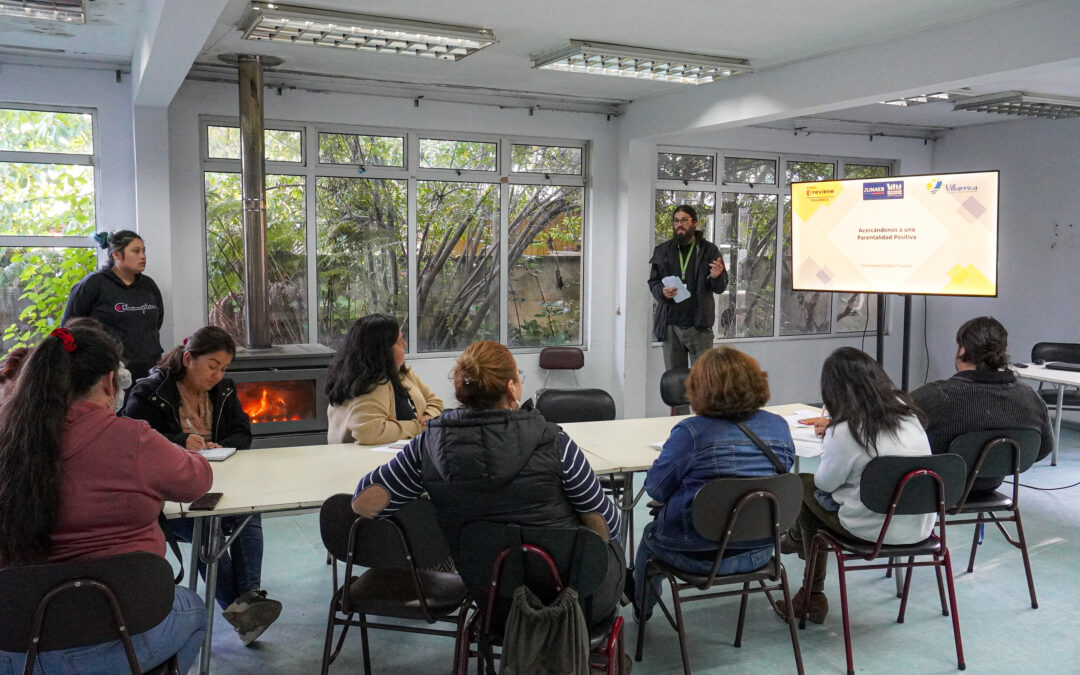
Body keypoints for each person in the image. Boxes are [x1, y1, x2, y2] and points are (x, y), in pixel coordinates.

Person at [351, 340, 624, 627]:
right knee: (612, 541)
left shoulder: (427, 446)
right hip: (571, 602)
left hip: (493, 599)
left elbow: (363, 502)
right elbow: (605, 526)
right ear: (511, 388)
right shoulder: (555, 443)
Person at [0, 321, 212, 674]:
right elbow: (198, 481)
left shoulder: (8, 439)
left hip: (16, 647)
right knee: (194, 611)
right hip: (124, 634)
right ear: (110, 382)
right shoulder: (132, 440)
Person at [124, 326, 283, 646]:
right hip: (172, 496)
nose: (218, 374)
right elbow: (132, 438)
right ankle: (247, 608)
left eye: (224, 368)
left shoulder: (224, 390)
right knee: (206, 530)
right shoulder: (149, 392)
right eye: (212, 366)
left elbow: (242, 435)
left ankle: (250, 599)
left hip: (219, 485)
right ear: (188, 359)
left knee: (251, 512)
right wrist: (182, 442)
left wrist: (217, 445)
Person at [633, 346, 795, 620]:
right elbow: (781, 476)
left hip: (693, 553)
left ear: (699, 388)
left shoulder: (691, 433)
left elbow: (655, 488)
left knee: (649, 538)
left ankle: (642, 610)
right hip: (760, 551)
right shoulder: (779, 426)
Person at [777, 347, 934, 624]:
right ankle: (798, 546)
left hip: (871, 529)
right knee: (820, 502)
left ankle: (809, 586)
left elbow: (825, 483)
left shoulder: (847, 429)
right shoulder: (909, 415)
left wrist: (831, 440)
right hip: (920, 526)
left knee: (804, 485)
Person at [911, 316, 1053, 492]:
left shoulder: (934, 396)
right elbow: (1044, 448)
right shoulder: (1031, 397)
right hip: (990, 486)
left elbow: (896, 440)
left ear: (962, 350)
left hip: (936, 489)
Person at [62, 230, 165, 382]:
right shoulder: (93, 284)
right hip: (110, 372)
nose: (143, 256)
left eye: (143, 251)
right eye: (135, 251)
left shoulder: (149, 285)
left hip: (149, 371)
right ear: (116, 254)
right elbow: (69, 329)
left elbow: (157, 322)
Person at [326, 313, 444, 445]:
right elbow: (369, 432)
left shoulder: (404, 373)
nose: (405, 345)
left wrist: (428, 418)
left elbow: (435, 402)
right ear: (382, 351)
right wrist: (418, 427)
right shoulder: (367, 385)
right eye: (400, 342)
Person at [648, 205, 729, 372]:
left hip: (699, 326)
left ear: (694, 223)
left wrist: (716, 276)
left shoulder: (709, 250)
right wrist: (662, 292)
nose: (679, 224)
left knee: (703, 380)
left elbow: (720, 288)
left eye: (684, 220)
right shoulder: (663, 250)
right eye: (676, 221)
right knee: (674, 380)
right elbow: (654, 282)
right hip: (671, 326)